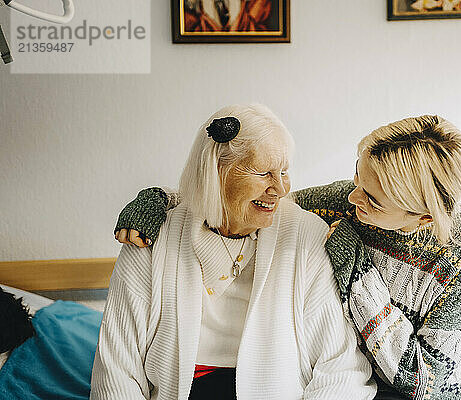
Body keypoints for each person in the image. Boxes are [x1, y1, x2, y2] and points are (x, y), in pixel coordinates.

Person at [115, 115, 461, 399]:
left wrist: (360, 277)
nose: (352, 198)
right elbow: (248, 202)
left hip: (447, 385)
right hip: (367, 382)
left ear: (423, 215)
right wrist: (159, 200)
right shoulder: (344, 202)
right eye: (356, 176)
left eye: (371, 198)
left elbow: (427, 381)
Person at [91, 104, 376, 400]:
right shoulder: (151, 234)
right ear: (217, 171)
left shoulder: (305, 236)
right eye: (263, 173)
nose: (279, 188)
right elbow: (117, 369)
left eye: (284, 172)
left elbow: (341, 368)